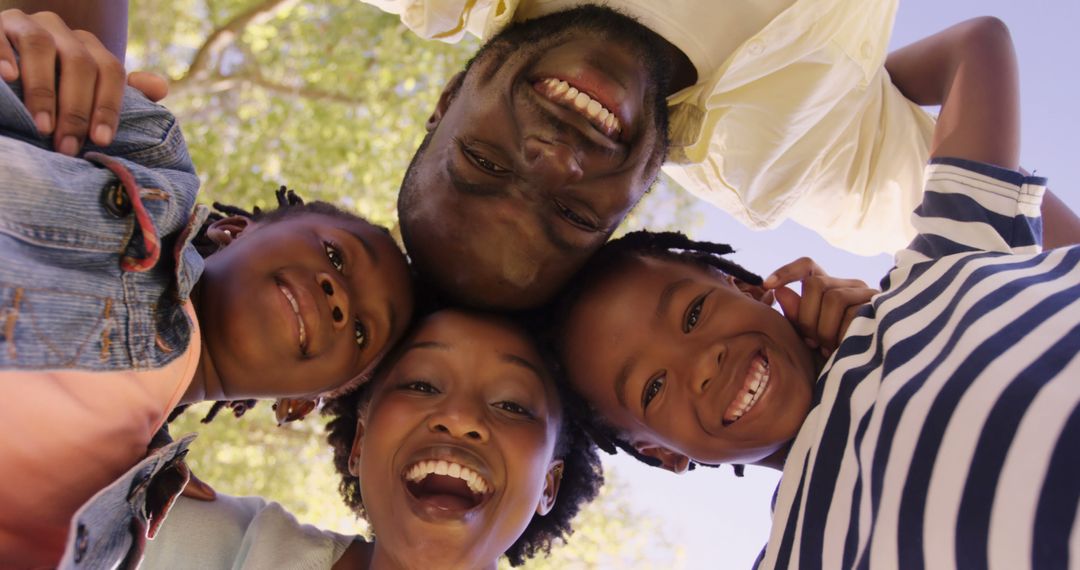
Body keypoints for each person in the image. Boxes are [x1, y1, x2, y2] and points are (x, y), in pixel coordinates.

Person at [3, 4, 1079, 312]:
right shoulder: (782, 163)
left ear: (443, 94)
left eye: (483, 169)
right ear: (638, 198)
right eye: (572, 218)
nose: (553, 161)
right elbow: (1016, 228)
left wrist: (66, 49)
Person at [552, 17, 1080, 568]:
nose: (701, 365)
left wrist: (831, 121)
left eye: (693, 315)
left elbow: (978, 47)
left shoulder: (930, 278)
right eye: (653, 387)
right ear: (660, 452)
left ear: (751, 290)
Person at [0, 67, 415, 565]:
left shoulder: (129, 514)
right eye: (335, 256)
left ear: (301, 404)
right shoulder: (147, 159)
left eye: (363, 332)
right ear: (233, 230)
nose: (339, 298)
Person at [139, 309, 604, 569]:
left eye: (512, 405)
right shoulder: (197, 539)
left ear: (548, 485)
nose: (460, 418)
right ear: (360, 444)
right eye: (421, 385)